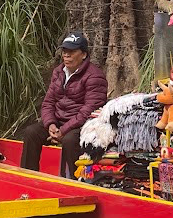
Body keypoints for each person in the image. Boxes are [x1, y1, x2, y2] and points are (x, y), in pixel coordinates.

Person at [19, 32, 108, 176]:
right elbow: (48, 102)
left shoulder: (95, 76)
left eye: (72, 52)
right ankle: (28, 176)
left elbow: (88, 111)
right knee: (31, 133)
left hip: (82, 125)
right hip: (59, 121)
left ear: (84, 55)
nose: (66, 55)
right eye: (64, 51)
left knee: (69, 140)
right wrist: (51, 125)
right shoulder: (59, 72)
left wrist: (64, 130)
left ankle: (74, 180)